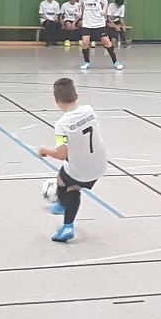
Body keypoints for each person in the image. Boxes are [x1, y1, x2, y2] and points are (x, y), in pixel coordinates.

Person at [38, 77, 108, 243]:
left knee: (68, 186)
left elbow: (62, 154)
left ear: (57, 101)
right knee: (64, 177)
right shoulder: (89, 110)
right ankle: (63, 205)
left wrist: (44, 150)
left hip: (81, 170)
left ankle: (67, 225)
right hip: (100, 165)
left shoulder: (62, 124)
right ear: (76, 96)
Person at [79, 0, 122, 70]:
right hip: (87, 22)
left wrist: (104, 10)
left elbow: (105, 3)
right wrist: (80, 12)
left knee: (106, 42)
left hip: (99, 22)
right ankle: (86, 62)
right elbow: (80, 4)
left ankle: (116, 61)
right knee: (85, 42)